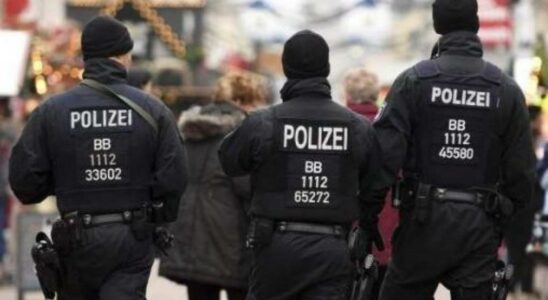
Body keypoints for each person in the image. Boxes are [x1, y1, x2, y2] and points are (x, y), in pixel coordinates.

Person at [9, 16, 187, 300]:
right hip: (131, 238)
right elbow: (175, 177)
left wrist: (63, 181)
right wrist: (155, 219)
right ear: (122, 55)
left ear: (86, 57)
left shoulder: (52, 111)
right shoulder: (153, 110)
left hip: (75, 238)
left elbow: (25, 183)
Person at [373, 0, 537, 299]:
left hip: (422, 222)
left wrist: (369, 217)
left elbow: (382, 159)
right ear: (475, 24)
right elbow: (522, 174)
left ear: (437, 25)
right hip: (479, 224)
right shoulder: (506, 89)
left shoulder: (413, 81)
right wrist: (502, 224)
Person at [218, 30, 383, 300]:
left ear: (286, 68)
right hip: (332, 249)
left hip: (274, 248)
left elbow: (229, 160)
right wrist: (367, 224)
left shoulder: (264, 123)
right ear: (327, 69)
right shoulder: (357, 128)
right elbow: (375, 184)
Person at [159, 72, 265, 300]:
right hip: (231, 245)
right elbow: (250, 191)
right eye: (253, 101)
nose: (257, 108)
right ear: (239, 101)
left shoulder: (189, 131)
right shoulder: (240, 136)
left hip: (190, 243)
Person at [344, 68, 398, 300]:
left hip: (346, 233)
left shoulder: (338, 126)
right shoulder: (392, 129)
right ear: (376, 95)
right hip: (386, 233)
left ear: (347, 95)